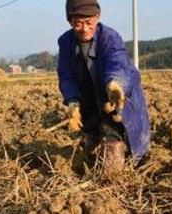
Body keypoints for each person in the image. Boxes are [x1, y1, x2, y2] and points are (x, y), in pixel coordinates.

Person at [57, 0, 150, 171]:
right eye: (78, 24)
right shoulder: (65, 42)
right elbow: (66, 74)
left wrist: (115, 84)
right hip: (88, 93)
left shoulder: (110, 37)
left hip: (115, 93)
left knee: (113, 128)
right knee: (91, 126)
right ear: (70, 22)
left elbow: (117, 62)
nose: (84, 29)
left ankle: (113, 175)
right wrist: (71, 100)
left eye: (89, 22)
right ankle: (93, 161)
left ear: (97, 17)